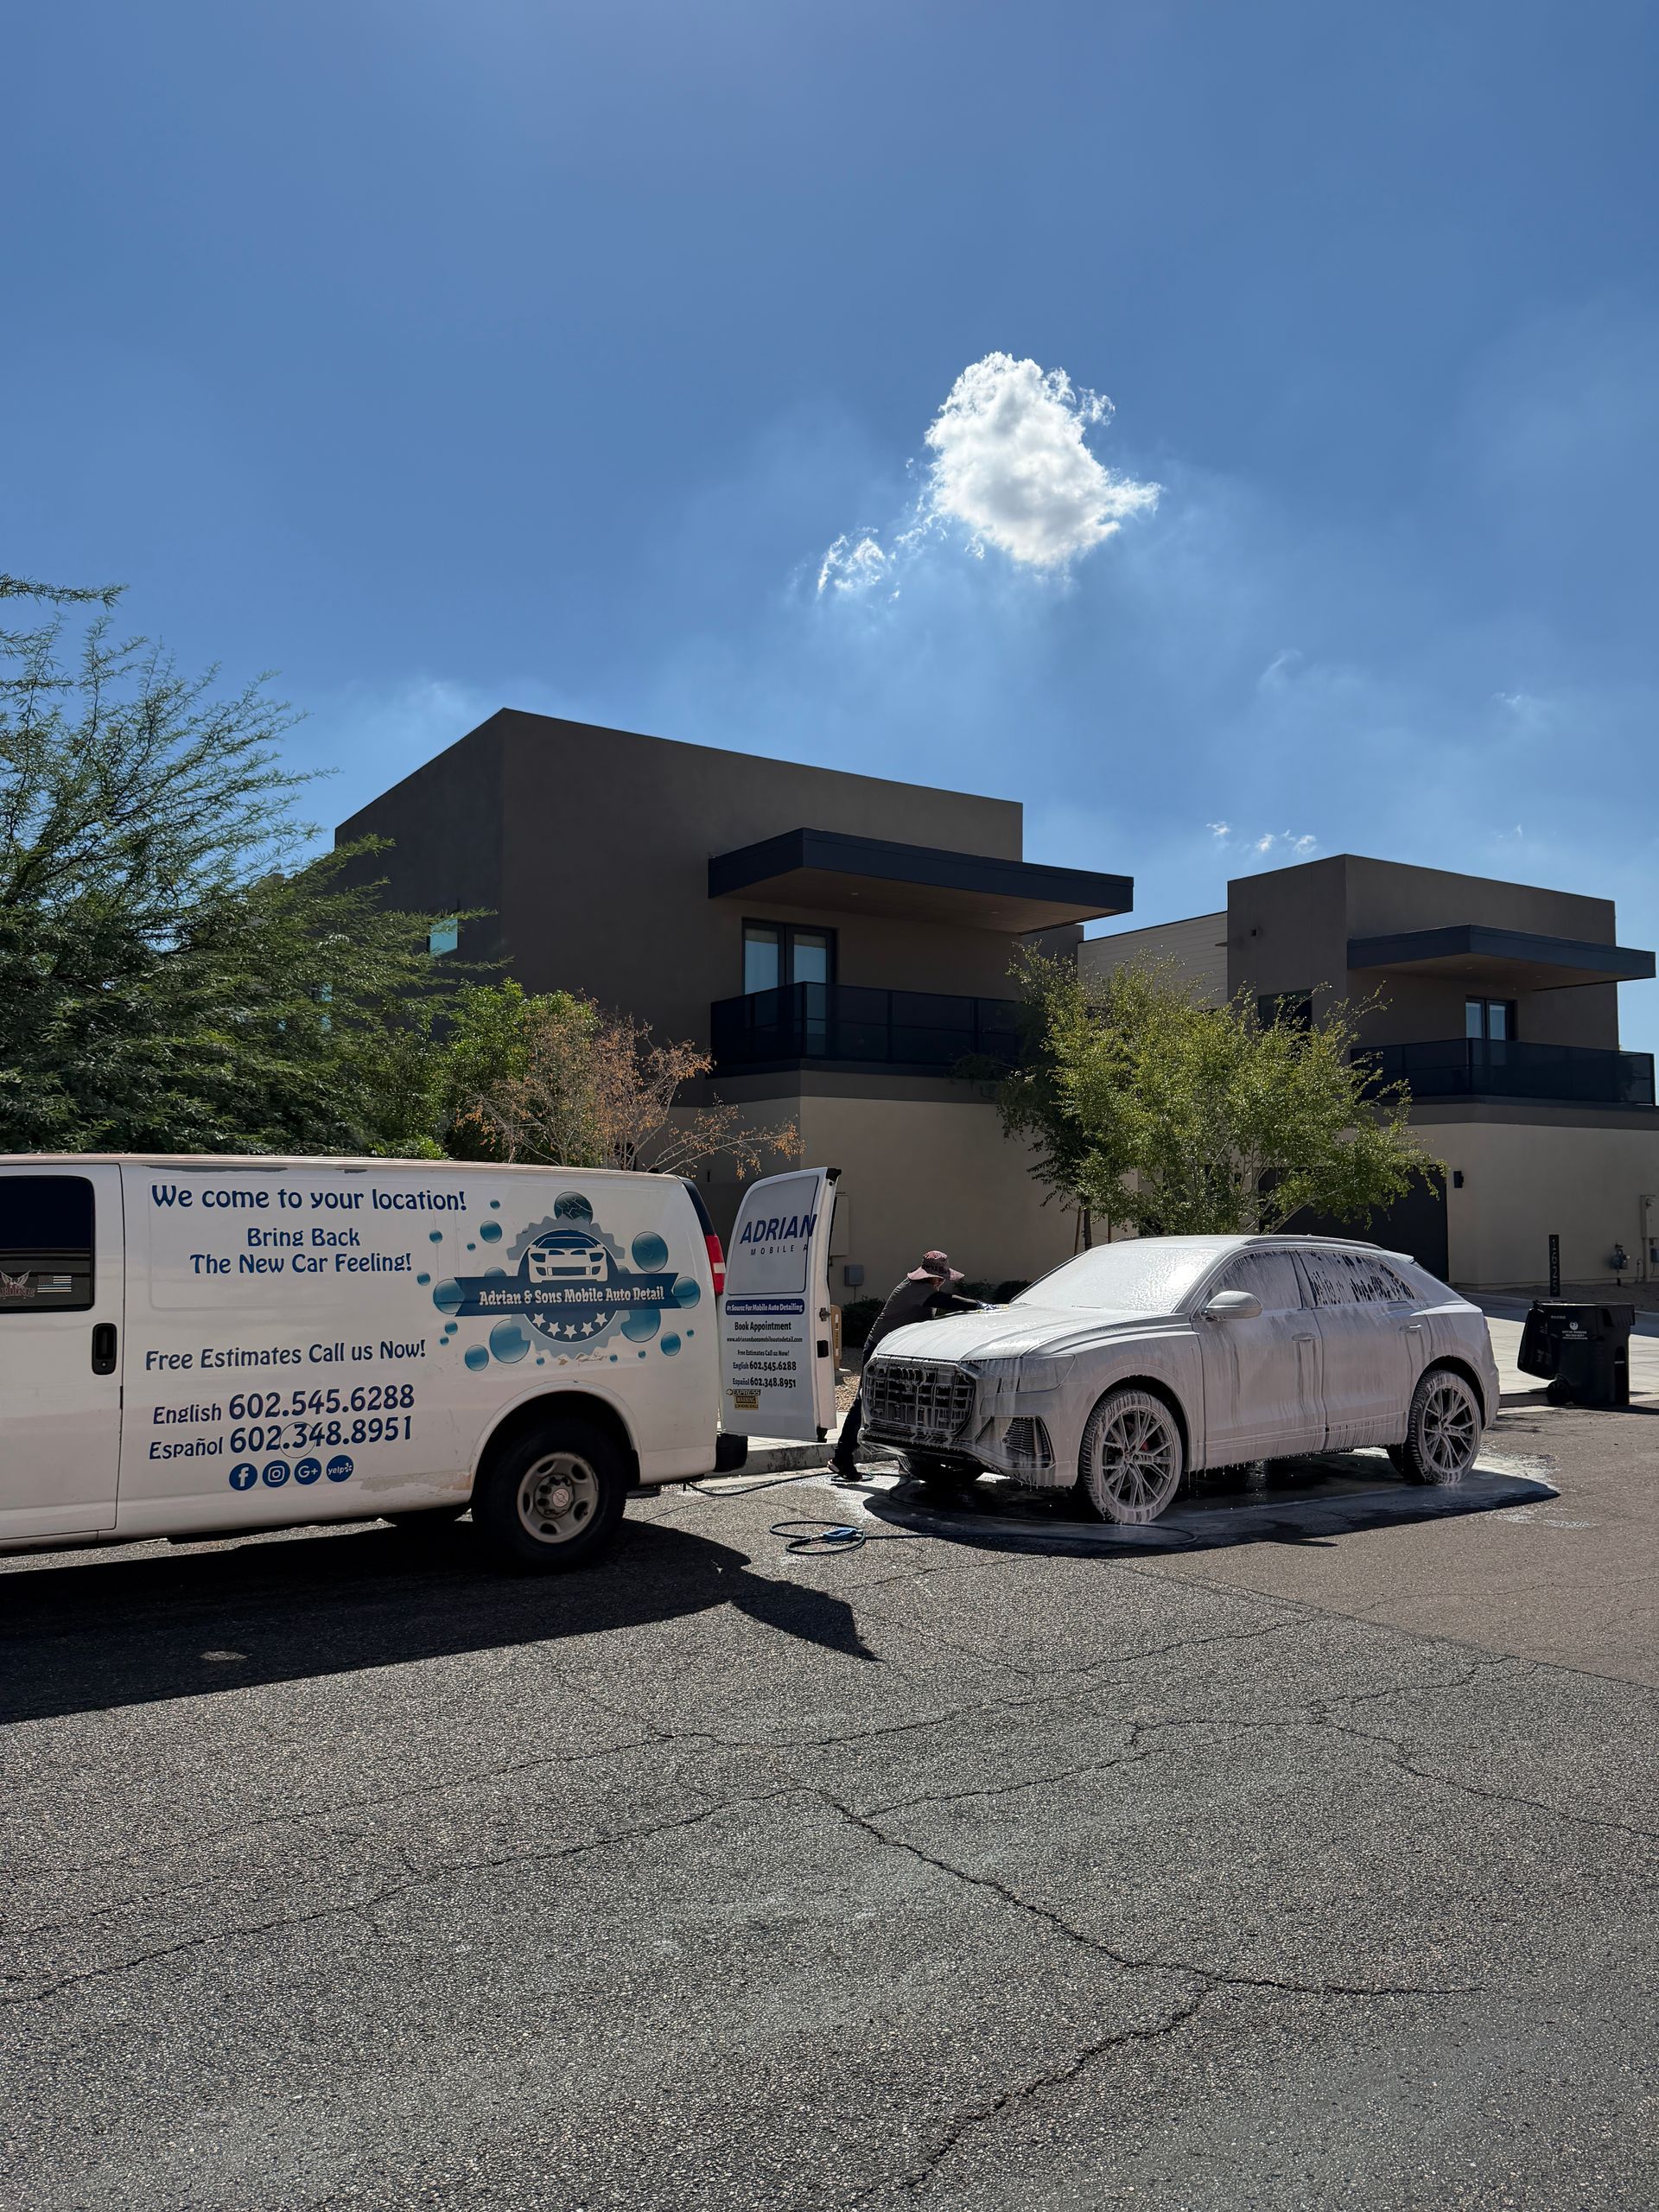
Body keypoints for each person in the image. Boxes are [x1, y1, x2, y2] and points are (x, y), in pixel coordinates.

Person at [832, 1250, 981, 1478]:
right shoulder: (916, 1289)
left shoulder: (925, 1289)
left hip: (899, 1353)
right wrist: (981, 1305)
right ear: (930, 1276)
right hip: (880, 1350)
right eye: (940, 1278)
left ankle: (906, 1461)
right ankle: (842, 1457)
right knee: (864, 1401)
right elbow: (948, 1302)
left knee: (906, 1403)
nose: (942, 1283)